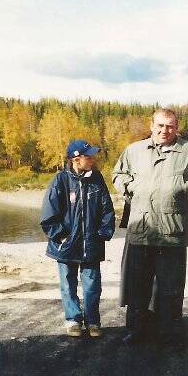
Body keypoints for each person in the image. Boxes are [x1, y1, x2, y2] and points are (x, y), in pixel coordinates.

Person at [114, 108, 188, 347]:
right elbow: (118, 174)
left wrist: (186, 189)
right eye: (159, 125)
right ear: (151, 125)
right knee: (138, 287)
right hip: (141, 229)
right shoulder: (134, 150)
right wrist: (130, 187)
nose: (164, 131)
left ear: (176, 128)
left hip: (172, 233)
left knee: (171, 289)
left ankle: (169, 334)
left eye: (169, 126)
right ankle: (137, 330)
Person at [40, 140, 115, 338]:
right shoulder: (61, 181)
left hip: (91, 244)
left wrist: (103, 233)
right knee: (68, 284)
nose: (92, 160)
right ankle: (73, 319)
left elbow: (107, 209)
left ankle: (92, 321)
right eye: (88, 156)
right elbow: (48, 214)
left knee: (92, 285)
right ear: (76, 159)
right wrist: (61, 237)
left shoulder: (97, 179)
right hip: (66, 246)